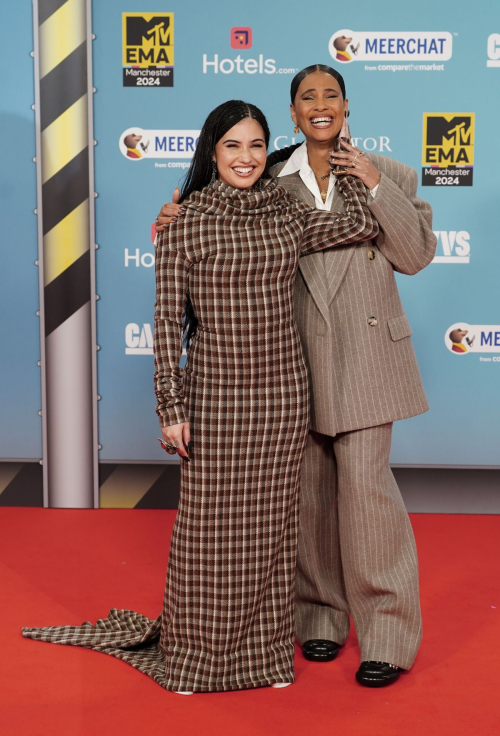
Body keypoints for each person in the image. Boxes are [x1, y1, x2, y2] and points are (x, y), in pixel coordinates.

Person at [22, 100, 378, 694]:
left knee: (271, 532)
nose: (246, 157)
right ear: (212, 152)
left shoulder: (288, 214)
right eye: (233, 145)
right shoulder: (183, 222)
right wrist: (171, 407)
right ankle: (196, 658)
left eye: (258, 145)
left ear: (270, 152)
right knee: (206, 534)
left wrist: (353, 171)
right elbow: (166, 324)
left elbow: (358, 224)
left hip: (283, 397)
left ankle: (263, 660)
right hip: (214, 396)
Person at [156, 65, 437, 688]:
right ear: (291, 111)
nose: (319, 106)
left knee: (367, 501)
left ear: (346, 106)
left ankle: (387, 634)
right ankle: (317, 619)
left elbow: (415, 253)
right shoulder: (272, 180)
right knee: (306, 503)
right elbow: (224, 219)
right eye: (307, 97)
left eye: (330, 96)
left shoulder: (388, 172)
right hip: (289, 368)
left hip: (366, 364)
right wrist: (178, 214)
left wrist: (374, 185)